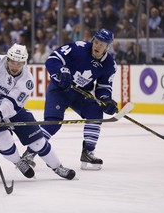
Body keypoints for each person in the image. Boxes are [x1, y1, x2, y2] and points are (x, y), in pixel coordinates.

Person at [0, 43, 76, 180]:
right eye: (13, 62)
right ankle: (18, 162)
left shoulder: (27, 81)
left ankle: (57, 167)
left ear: (24, 63)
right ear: (7, 58)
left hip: (13, 110)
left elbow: (11, 104)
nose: (15, 66)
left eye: (19, 63)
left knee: (37, 142)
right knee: (3, 141)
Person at [22, 29, 118, 171]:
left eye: (102, 44)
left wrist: (105, 100)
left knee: (95, 111)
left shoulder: (110, 64)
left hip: (80, 93)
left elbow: (103, 86)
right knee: (53, 124)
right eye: (96, 42)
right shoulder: (78, 48)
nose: (97, 46)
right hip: (59, 90)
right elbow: (52, 60)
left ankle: (88, 152)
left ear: (107, 47)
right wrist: (61, 72)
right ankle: (29, 154)